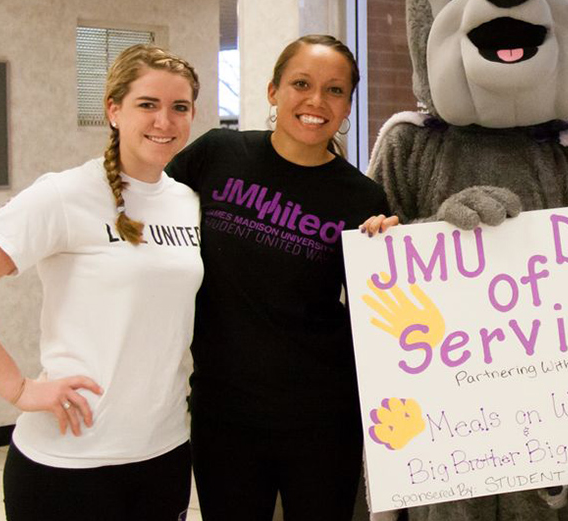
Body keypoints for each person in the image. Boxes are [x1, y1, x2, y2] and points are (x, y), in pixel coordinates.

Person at [166, 34, 396, 521]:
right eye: (301, 84)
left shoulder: (362, 197)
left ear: (348, 104)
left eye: (335, 91)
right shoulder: (216, 154)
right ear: (273, 91)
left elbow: (379, 315)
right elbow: (150, 218)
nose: (316, 101)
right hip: (222, 412)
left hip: (323, 416)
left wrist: (386, 253)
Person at [0, 44, 202, 521]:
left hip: (163, 454)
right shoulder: (66, 194)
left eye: (179, 107)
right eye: (148, 104)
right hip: (67, 463)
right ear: (113, 110)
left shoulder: (187, 202)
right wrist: (18, 390)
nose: (165, 120)